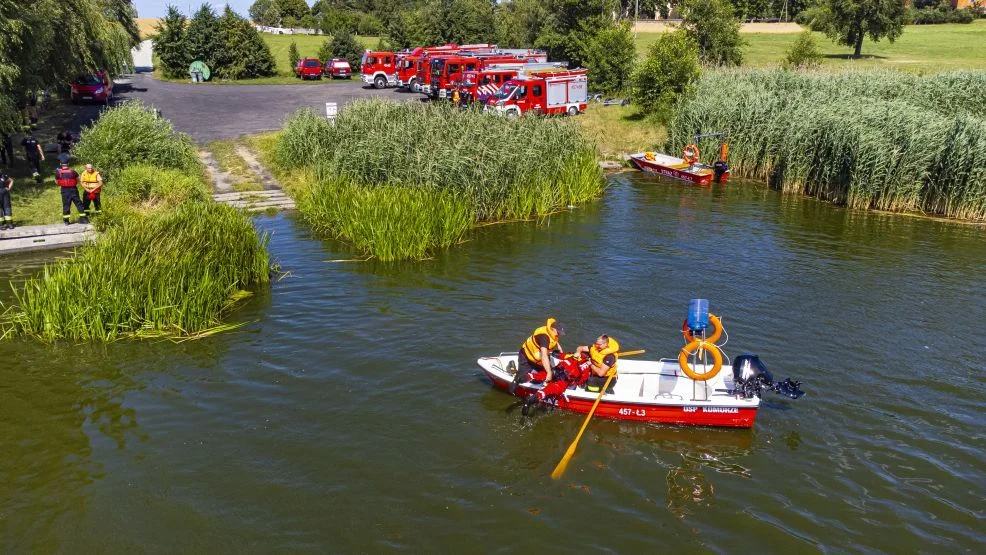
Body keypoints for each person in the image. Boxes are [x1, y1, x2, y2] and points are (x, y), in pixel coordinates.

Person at [518, 350, 593, 415]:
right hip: (565, 378)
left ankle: (526, 377)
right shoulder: (586, 365)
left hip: (556, 370)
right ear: (589, 357)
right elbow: (582, 381)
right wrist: (579, 383)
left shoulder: (573, 354)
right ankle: (534, 398)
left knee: (544, 375)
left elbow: (559, 355)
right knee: (553, 388)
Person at [509, 317, 565, 394]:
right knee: (521, 378)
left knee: (552, 375)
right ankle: (513, 371)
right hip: (527, 357)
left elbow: (554, 340)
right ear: (553, 329)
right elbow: (544, 355)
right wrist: (549, 372)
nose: (559, 334)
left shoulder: (552, 333)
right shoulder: (544, 337)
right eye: (558, 332)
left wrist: (560, 349)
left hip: (537, 359)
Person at [55, 157, 87, 225]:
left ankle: (66, 221)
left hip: (64, 190)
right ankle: (84, 219)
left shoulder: (58, 172)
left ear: (60, 164)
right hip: (73, 189)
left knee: (66, 205)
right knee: (79, 204)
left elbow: (57, 182)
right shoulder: (73, 171)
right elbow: (78, 180)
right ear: (68, 164)